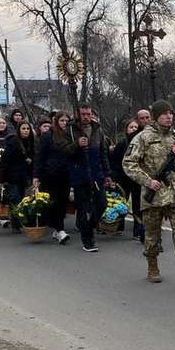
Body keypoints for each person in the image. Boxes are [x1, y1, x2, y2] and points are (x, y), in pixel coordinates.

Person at [123, 100, 175, 285]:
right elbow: (128, 163)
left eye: (171, 113)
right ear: (156, 117)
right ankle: (152, 266)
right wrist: (148, 181)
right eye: (164, 113)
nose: (169, 116)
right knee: (152, 234)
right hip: (155, 193)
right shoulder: (143, 138)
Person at [65, 104, 111, 252]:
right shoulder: (70, 129)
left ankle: (89, 227)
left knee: (102, 203)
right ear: (78, 115)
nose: (86, 117)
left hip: (96, 172)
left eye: (88, 114)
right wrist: (76, 145)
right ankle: (88, 240)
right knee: (83, 208)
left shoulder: (98, 129)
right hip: (79, 173)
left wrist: (107, 173)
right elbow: (63, 151)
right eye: (83, 114)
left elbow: (103, 152)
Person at [34, 111, 71, 244]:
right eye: (62, 121)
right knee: (53, 202)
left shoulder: (70, 136)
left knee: (63, 201)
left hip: (66, 174)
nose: (64, 123)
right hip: (50, 174)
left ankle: (57, 227)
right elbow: (40, 156)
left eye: (66, 121)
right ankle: (59, 229)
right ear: (56, 121)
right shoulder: (47, 136)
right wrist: (36, 175)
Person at [109, 118, 144, 241]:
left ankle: (138, 229)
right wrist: (114, 176)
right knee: (121, 203)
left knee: (137, 205)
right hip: (123, 178)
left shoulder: (141, 144)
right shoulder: (122, 144)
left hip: (137, 179)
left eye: (136, 127)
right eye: (131, 127)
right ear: (126, 129)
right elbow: (114, 161)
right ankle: (118, 226)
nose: (134, 129)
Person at [0, 120, 35, 225]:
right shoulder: (13, 142)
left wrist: (31, 160)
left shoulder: (32, 142)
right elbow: (5, 160)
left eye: (28, 129)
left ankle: (26, 220)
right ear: (19, 130)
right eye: (23, 129)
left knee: (27, 199)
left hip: (27, 175)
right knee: (15, 199)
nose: (26, 131)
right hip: (13, 175)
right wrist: (2, 178)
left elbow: (36, 156)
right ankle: (16, 222)